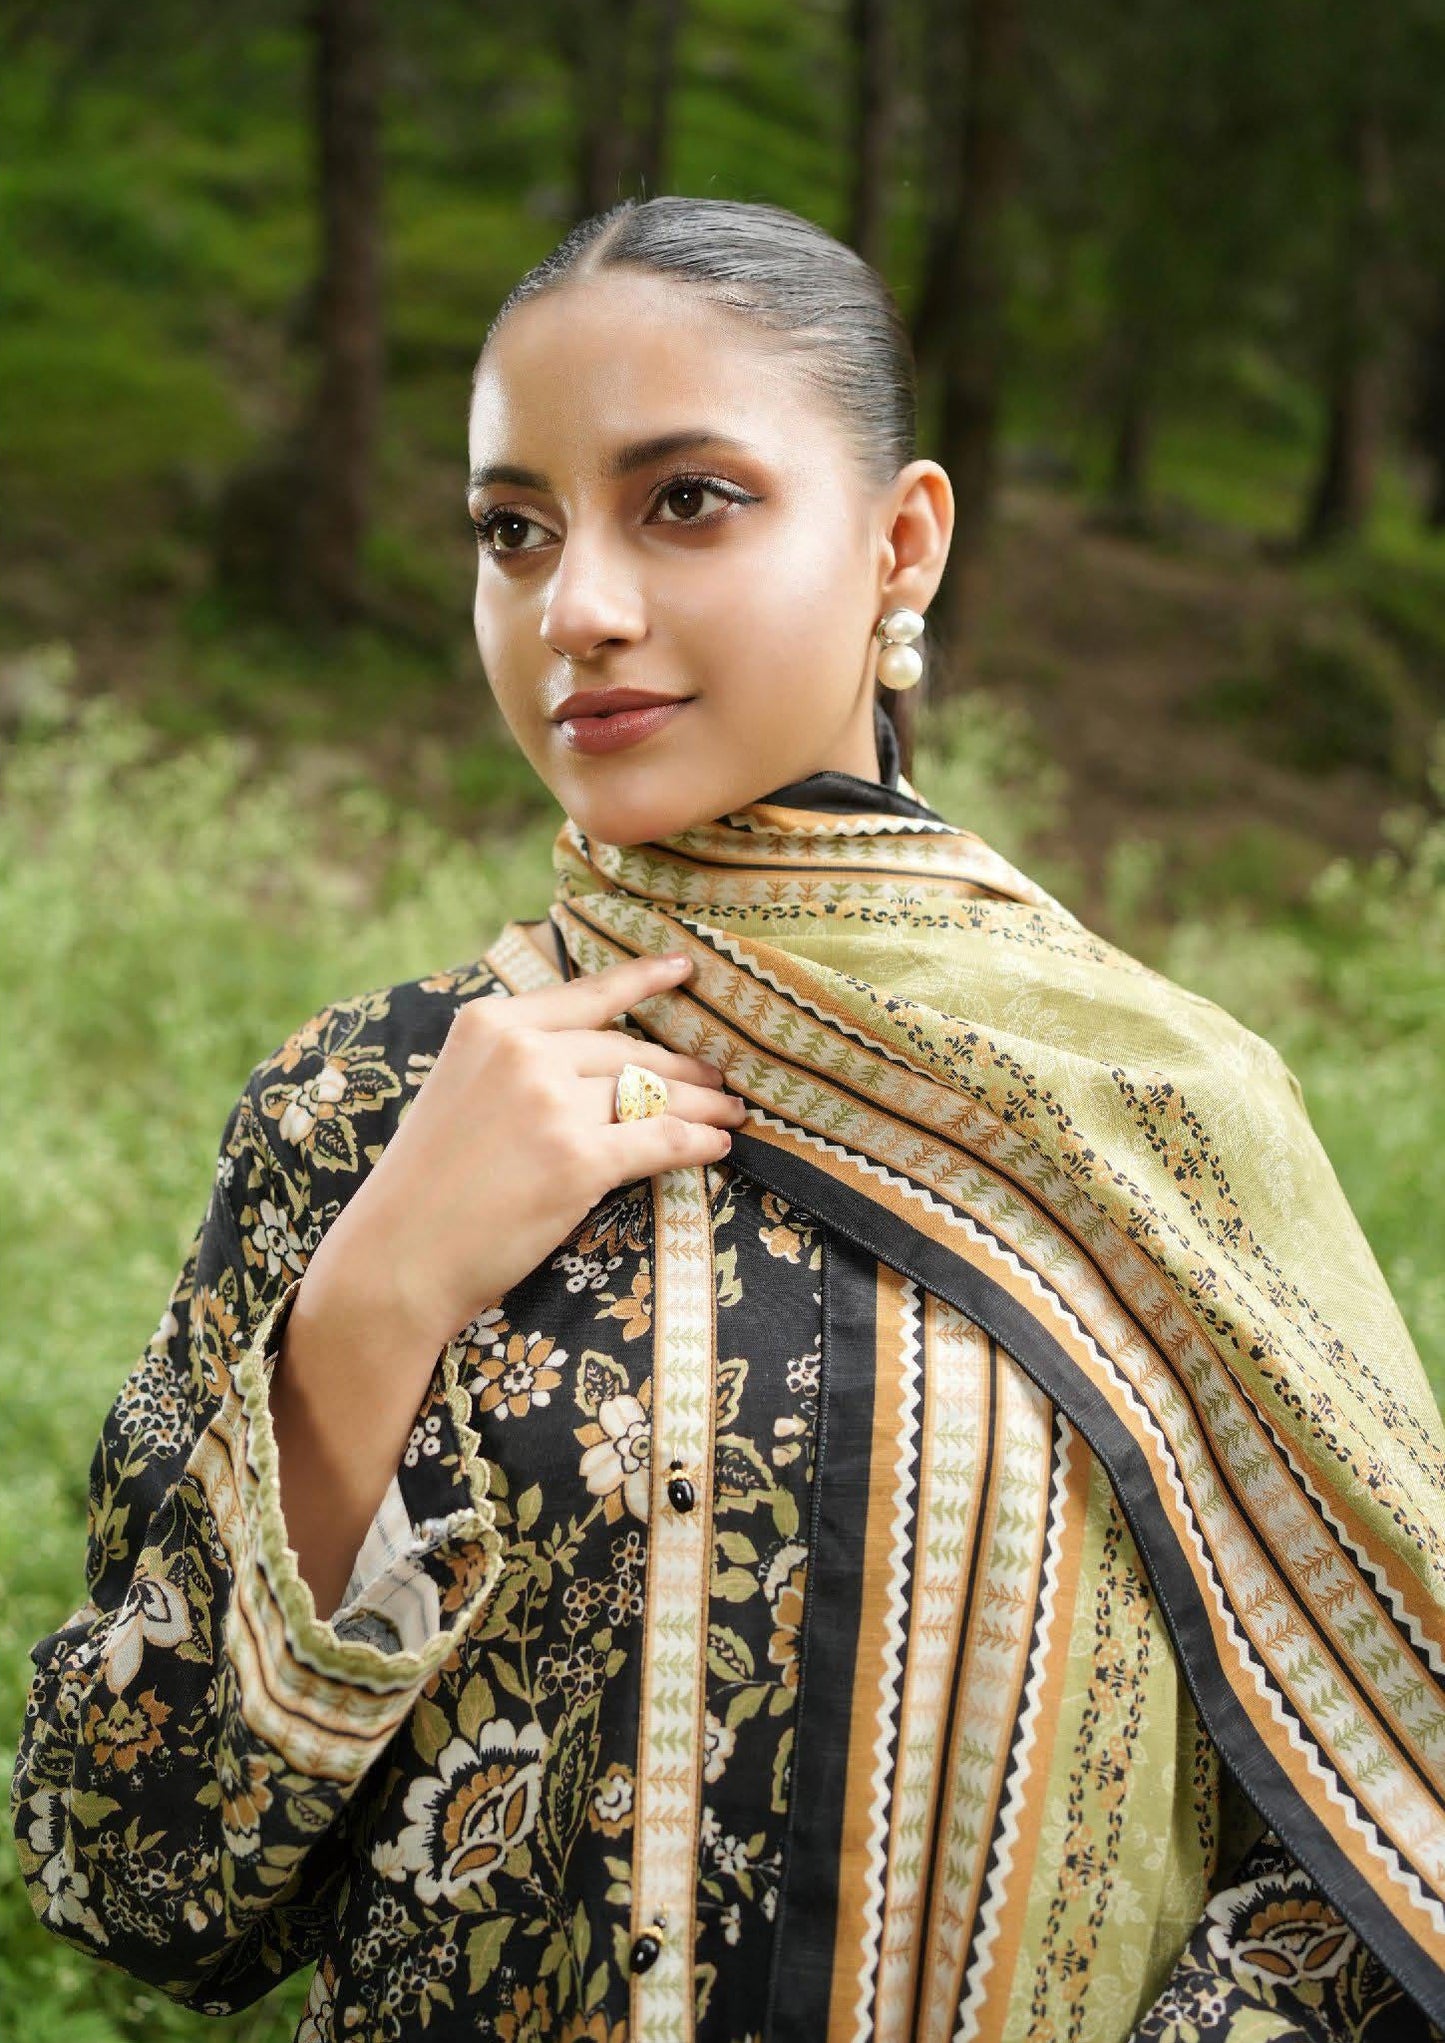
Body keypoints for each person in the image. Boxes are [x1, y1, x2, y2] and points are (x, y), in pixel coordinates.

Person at [11, 195, 1445, 2043]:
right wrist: (372, 1306)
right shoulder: (367, 1108)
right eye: (510, 530)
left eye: (684, 500)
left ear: (898, 543)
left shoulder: (1165, 1113)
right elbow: (126, 1881)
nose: (576, 609)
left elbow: (1385, 1833)